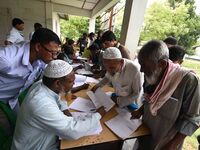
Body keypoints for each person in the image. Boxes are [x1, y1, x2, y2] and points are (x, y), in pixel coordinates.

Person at [11, 60, 106, 150]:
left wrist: (66, 111)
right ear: (57, 83)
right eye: (71, 82)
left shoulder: (42, 84)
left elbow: (59, 97)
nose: (73, 84)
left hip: (43, 138)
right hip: (37, 146)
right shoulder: (41, 103)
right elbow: (72, 132)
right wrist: (98, 115)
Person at [131, 40, 200, 150]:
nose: (142, 70)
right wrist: (140, 110)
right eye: (140, 64)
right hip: (145, 134)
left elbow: (192, 119)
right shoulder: (152, 74)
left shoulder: (188, 80)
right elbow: (151, 99)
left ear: (162, 64)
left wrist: (172, 145)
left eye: (144, 66)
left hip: (166, 143)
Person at [0, 28, 61, 142]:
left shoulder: (40, 59)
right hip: (1, 99)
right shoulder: (6, 59)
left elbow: (49, 74)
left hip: (12, 99)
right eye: (52, 52)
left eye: (56, 53)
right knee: (6, 134)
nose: (54, 56)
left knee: (20, 127)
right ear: (38, 47)